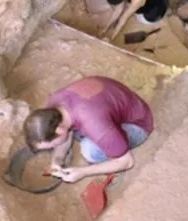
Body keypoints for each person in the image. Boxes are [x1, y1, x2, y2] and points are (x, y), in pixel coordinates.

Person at [22, 76, 154, 183]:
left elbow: (127, 161)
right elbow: (66, 132)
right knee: (82, 135)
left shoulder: (95, 125)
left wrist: (83, 172)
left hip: (139, 123)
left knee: (90, 151)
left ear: (60, 130)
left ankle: (113, 147)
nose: (53, 147)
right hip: (110, 103)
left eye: (52, 145)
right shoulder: (54, 104)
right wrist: (57, 159)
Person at [100, 0, 170, 41]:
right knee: (128, 6)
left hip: (157, 11)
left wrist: (112, 38)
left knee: (137, 15)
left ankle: (159, 18)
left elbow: (123, 18)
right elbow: (118, 10)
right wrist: (105, 28)